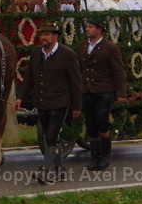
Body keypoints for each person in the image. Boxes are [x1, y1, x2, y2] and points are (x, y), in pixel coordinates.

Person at [14, 21, 82, 182]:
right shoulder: (36, 53)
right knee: (51, 137)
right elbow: (29, 78)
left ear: (55, 36)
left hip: (60, 102)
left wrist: (77, 106)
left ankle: (44, 171)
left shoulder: (67, 54)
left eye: (47, 34)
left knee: (51, 136)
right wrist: (20, 97)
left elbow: (76, 82)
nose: (43, 37)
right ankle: (60, 172)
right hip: (42, 102)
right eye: (41, 34)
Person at [76, 18, 126, 171]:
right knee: (90, 124)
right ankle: (95, 157)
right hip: (87, 90)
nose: (87, 29)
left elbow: (118, 71)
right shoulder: (82, 46)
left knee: (101, 121)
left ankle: (105, 155)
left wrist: (121, 93)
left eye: (90, 27)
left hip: (104, 90)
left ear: (99, 30)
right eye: (86, 26)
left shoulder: (110, 47)